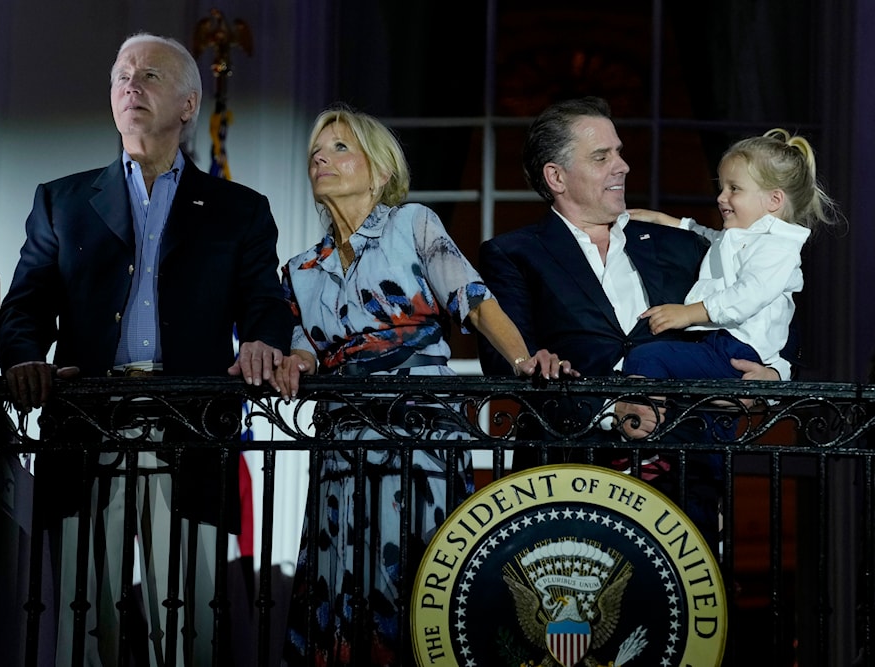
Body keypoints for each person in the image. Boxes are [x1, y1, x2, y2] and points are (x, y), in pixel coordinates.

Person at [0, 32, 291, 665]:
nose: (131, 84)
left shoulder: (239, 210)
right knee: (82, 627)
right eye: (122, 76)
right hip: (85, 429)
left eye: (150, 75)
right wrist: (23, 358)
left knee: (188, 633)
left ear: (188, 106)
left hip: (191, 430)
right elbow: (24, 305)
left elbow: (264, 301)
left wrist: (263, 342)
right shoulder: (61, 201)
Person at [273, 104, 576, 667]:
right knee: (343, 587)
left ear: (381, 170)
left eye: (340, 148)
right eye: (316, 151)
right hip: (342, 446)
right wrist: (293, 363)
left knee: (418, 586)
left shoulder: (412, 225)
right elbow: (302, 346)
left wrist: (522, 360)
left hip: (419, 438)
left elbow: (475, 302)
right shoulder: (300, 269)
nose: (321, 158)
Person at [476, 96, 783, 545]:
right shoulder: (513, 254)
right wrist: (610, 410)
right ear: (556, 177)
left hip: (682, 481)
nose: (622, 166)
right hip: (567, 481)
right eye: (602, 157)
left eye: (618, 152)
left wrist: (774, 374)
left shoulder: (676, 244)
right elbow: (507, 363)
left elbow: (768, 293)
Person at [623, 128, 839, 381]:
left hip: (738, 352)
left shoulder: (778, 247)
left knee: (647, 358)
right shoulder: (743, 238)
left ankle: (649, 411)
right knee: (655, 362)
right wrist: (664, 220)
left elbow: (748, 295)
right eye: (722, 187)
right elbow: (709, 238)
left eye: (734, 188)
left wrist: (688, 313)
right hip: (720, 344)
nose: (721, 197)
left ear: (774, 200)